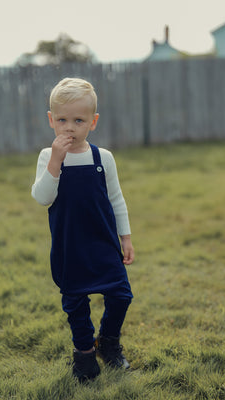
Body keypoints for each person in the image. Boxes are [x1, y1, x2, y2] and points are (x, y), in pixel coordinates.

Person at [31, 77, 135, 382]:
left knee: (121, 295)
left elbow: (116, 199)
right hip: (69, 246)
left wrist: (125, 237)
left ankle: (109, 343)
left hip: (103, 243)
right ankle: (84, 354)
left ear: (93, 122)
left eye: (78, 120)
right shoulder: (47, 158)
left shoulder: (103, 158)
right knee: (75, 302)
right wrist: (56, 163)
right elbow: (42, 197)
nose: (69, 127)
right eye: (62, 120)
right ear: (51, 120)